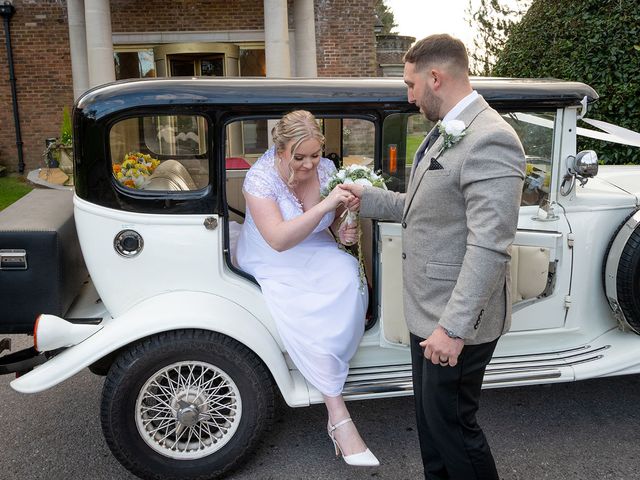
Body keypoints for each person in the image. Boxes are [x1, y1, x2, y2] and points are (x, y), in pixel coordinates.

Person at [342, 34, 526, 479]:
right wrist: (368, 198)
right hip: (428, 314)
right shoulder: (448, 130)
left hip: (454, 323)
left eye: (410, 85)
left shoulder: (491, 139)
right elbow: (425, 207)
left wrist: (453, 328)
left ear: (436, 77)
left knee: (455, 431)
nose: (409, 96)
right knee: (432, 426)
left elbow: (489, 245)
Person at [236, 110, 379, 467]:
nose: (308, 165)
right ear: (280, 150)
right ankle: (338, 414)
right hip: (272, 255)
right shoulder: (260, 179)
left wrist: (342, 228)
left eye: (314, 156)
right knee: (301, 305)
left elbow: (330, 226)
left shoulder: (327, 171)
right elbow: (279, 240)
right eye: (298, 157)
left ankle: (334, 361)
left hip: (315, 248)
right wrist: (330, 205)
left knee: (348, 274)